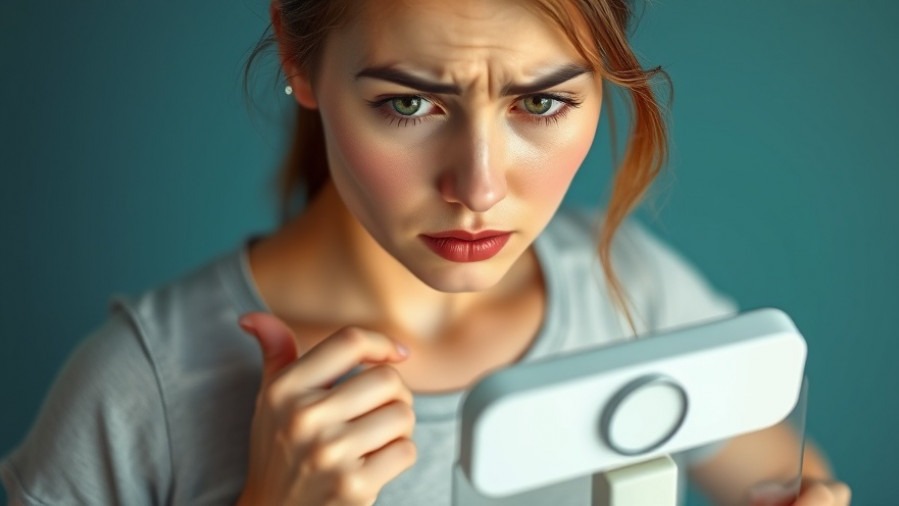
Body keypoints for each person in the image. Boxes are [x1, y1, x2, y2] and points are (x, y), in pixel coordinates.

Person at [1, 0, 850, 504]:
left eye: (543, 103)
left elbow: (783, 468)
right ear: (300, 59)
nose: (478, 187)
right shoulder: (141, 392)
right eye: (409, 105)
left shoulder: (627, 291)